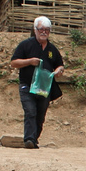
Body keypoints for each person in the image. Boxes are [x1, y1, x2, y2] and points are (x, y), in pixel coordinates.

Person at [9, 16, 65, 148]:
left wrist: (59, 71)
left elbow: (60, 65)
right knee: (30, 111)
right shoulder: (25, 45)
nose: (44, 32)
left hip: (44, 88)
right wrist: (29, 61)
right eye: (41, 29)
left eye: (47, 29)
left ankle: (34, 138)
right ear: (35, 30)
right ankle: (29, 140)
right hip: (27, 85)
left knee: (40, 116)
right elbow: (13, 63)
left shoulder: (52, 49)